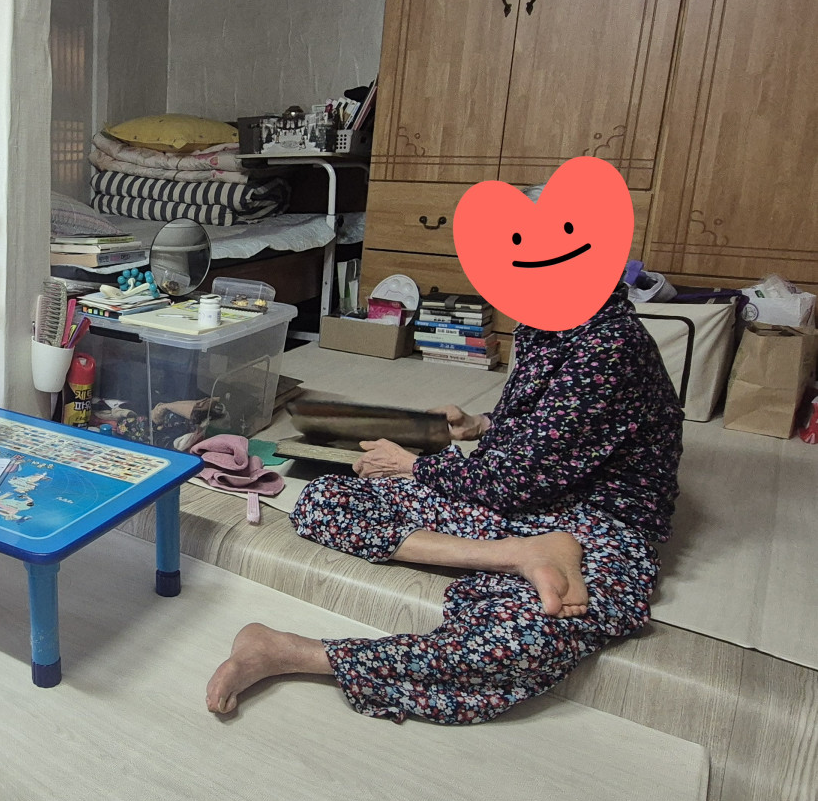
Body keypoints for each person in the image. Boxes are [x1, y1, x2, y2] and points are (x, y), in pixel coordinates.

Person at [206, 283, 683, 724]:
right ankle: (518, 555)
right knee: (323, 500)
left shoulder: (610, 345)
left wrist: (414, 466)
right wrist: (481, 424)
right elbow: (546, 427)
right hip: (514, 510)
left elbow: (517, 480)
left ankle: (293, 653)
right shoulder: (550, 319)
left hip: (594, 523)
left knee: (519, 641)